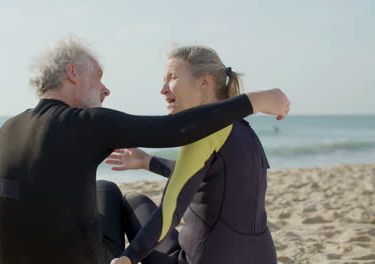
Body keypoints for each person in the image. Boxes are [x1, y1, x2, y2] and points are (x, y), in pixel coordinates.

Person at [0, 36, 290, 264]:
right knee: (110, 191)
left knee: (109, 190)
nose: (106, 89)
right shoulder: (245, 133)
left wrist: (147, 163)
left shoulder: (7, 128)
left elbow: (186, 174)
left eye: (171, 78)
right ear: (73, 74)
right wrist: (251, 103)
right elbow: (184, 147)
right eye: (99, 77)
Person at [107, 46, 279, 264]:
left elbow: (170, 211)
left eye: (172, 78)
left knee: (131, 201)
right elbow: (202, 174)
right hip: (262, 258)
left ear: (203, 83)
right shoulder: (244, 130)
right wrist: (146, 161)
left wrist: (128, 258)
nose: (162, 89)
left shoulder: (203, 132)